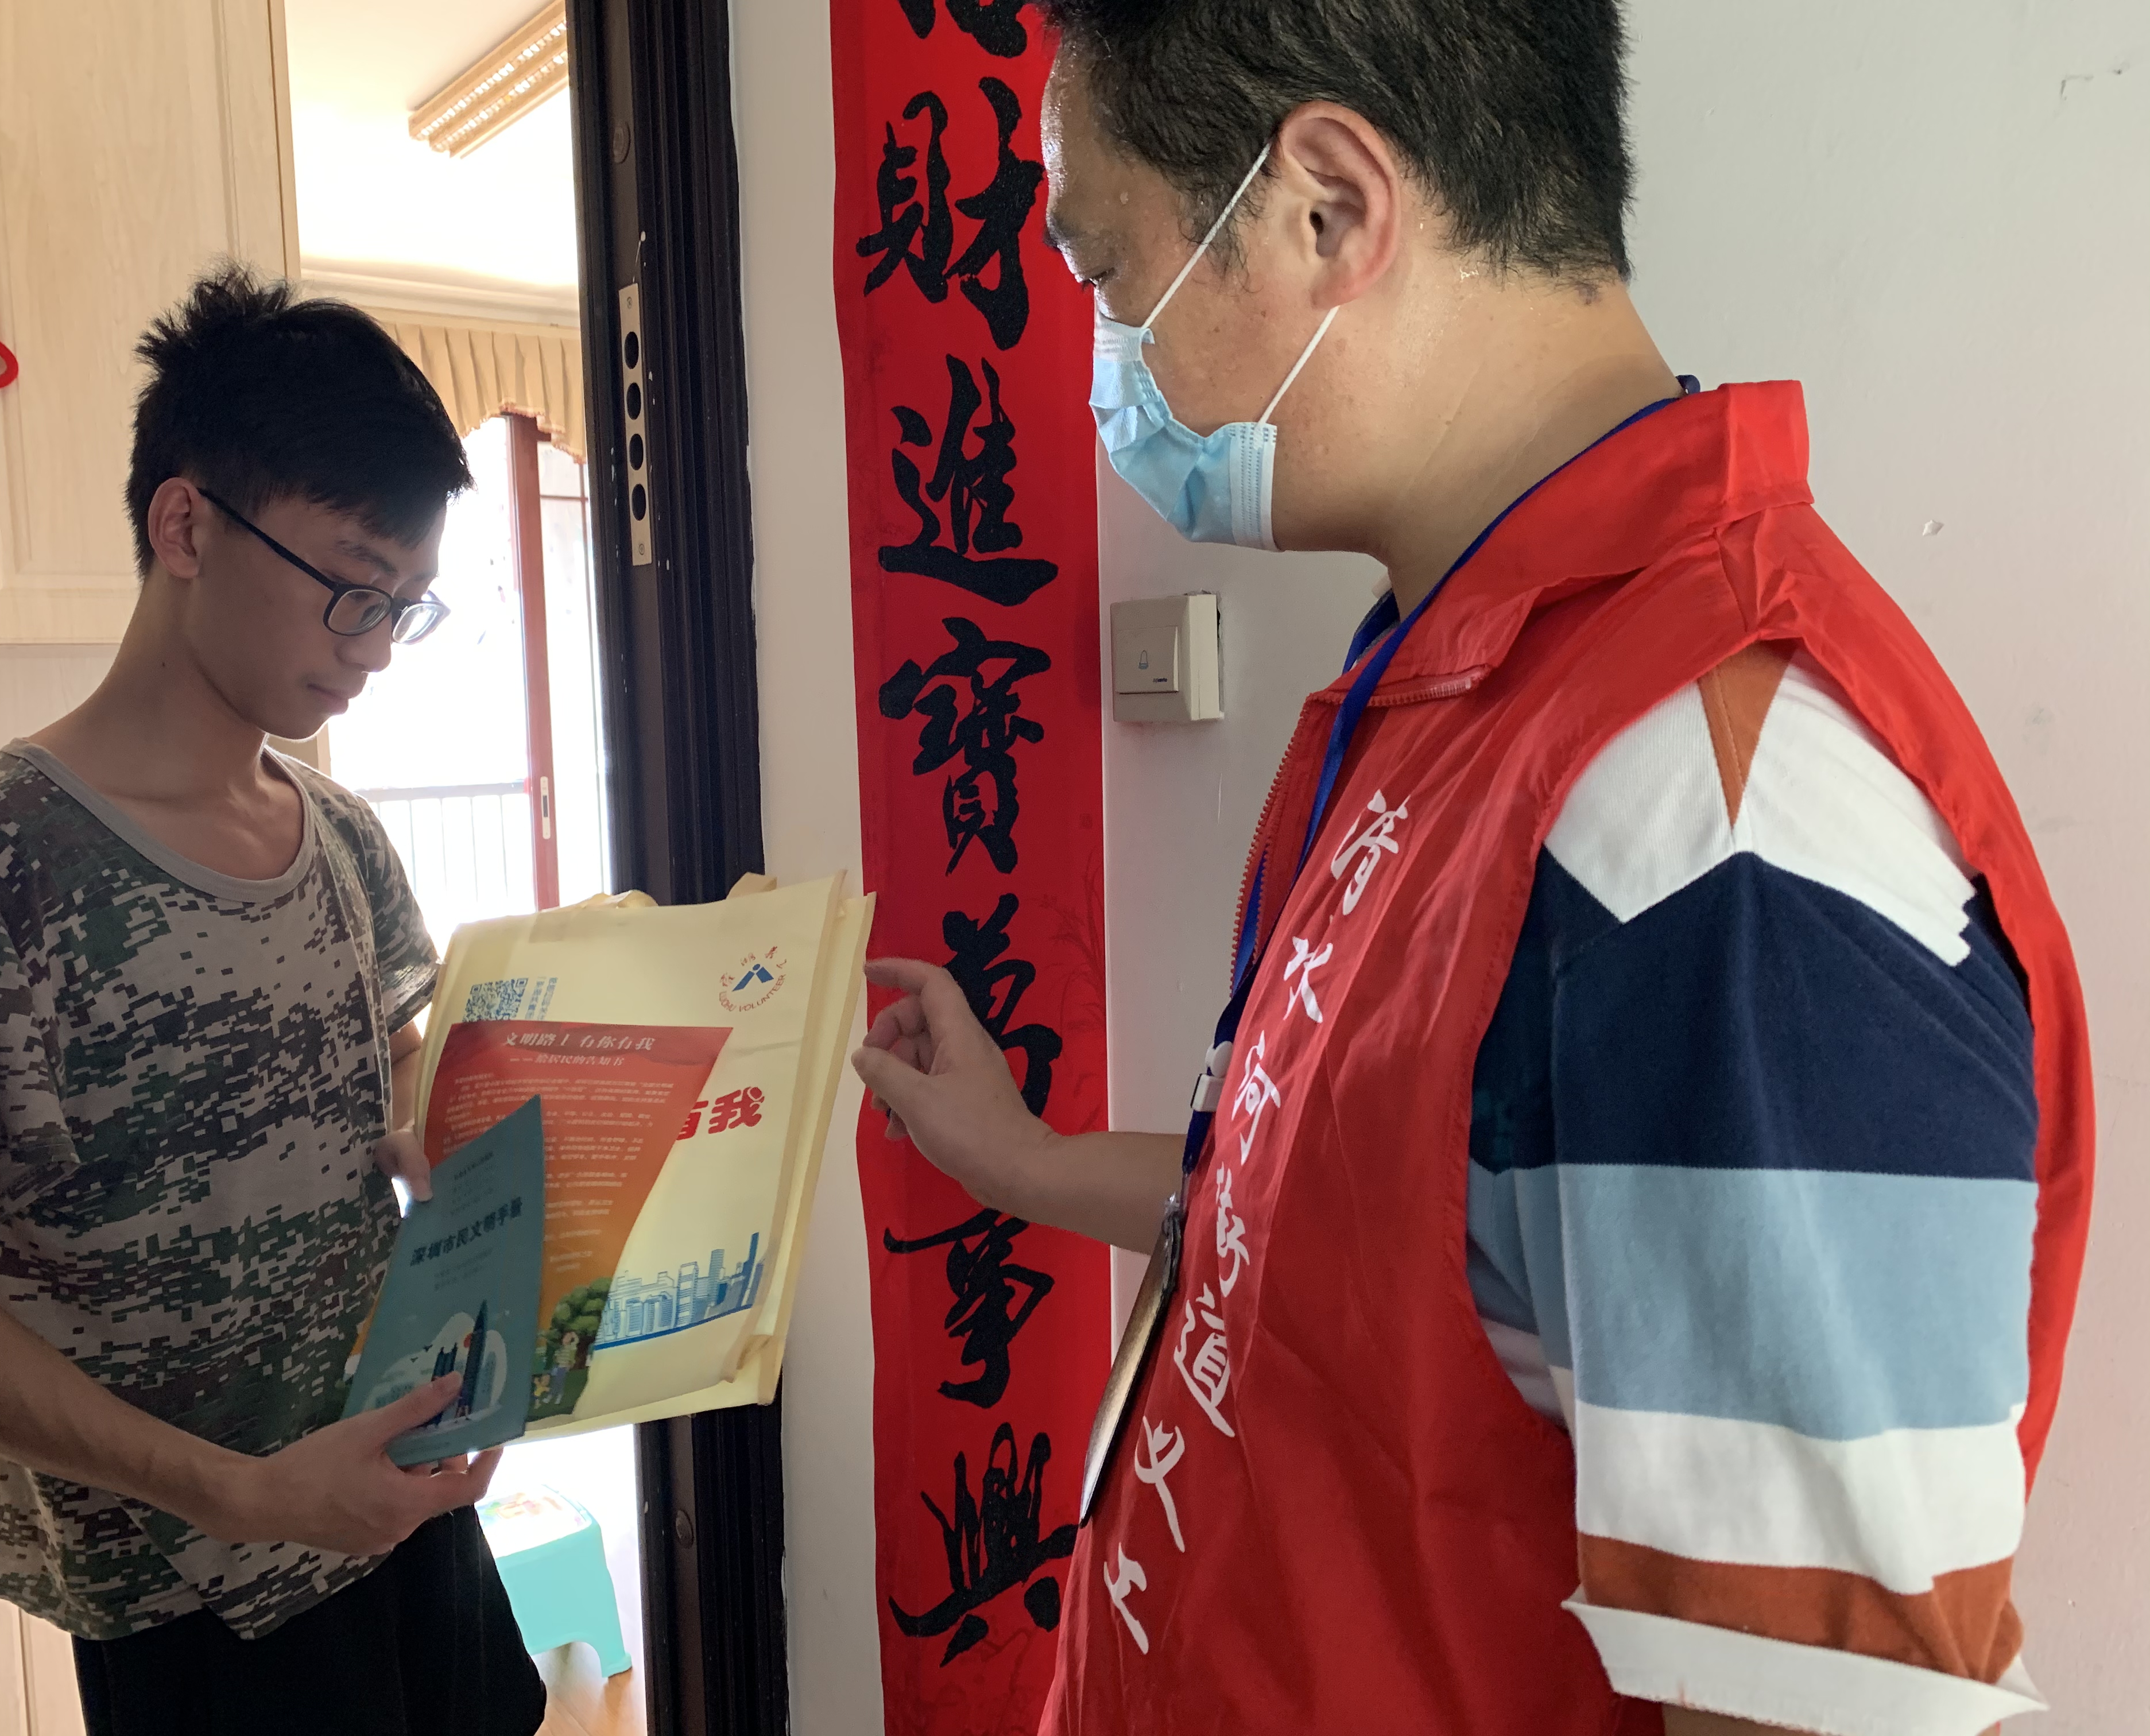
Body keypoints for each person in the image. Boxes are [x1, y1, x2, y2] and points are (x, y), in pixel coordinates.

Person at [851, 5, 2093, 1735]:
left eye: (1110, 272)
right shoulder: (1471, 678)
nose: (1111, 352)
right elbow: (1364, 1237)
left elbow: (1824, 1701)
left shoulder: (1715, 836)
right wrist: (1029, 1160)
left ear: (1328, 208)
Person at [0, 266, 546, 1736]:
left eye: (403, 608)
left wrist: (477, 1127)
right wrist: (243, 1492)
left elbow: (398, 1093)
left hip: (403, 1509)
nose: (372, 647)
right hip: (195, 1596)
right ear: (186, 528)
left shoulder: (340, 834)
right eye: (351, 588)